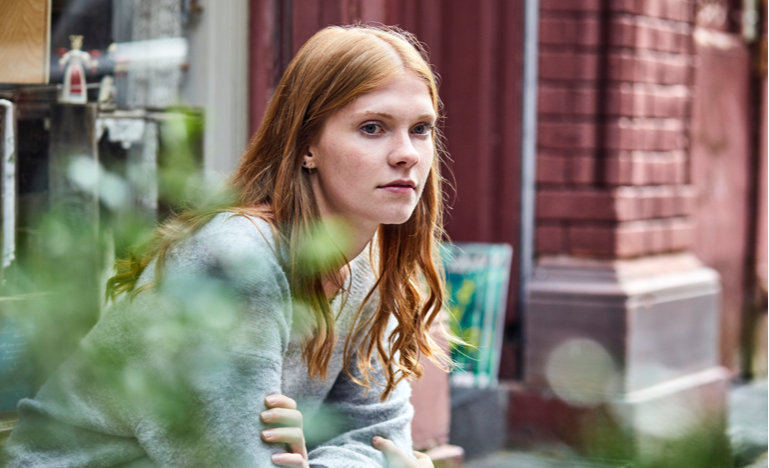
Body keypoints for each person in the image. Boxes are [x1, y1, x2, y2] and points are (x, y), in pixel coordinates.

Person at [2, 24, 448, 468]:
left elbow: (382, 441)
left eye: (421, 129)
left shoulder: (367, 268)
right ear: (307, 144)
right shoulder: (235, 260)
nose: (406, 153)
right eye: (373, 128)